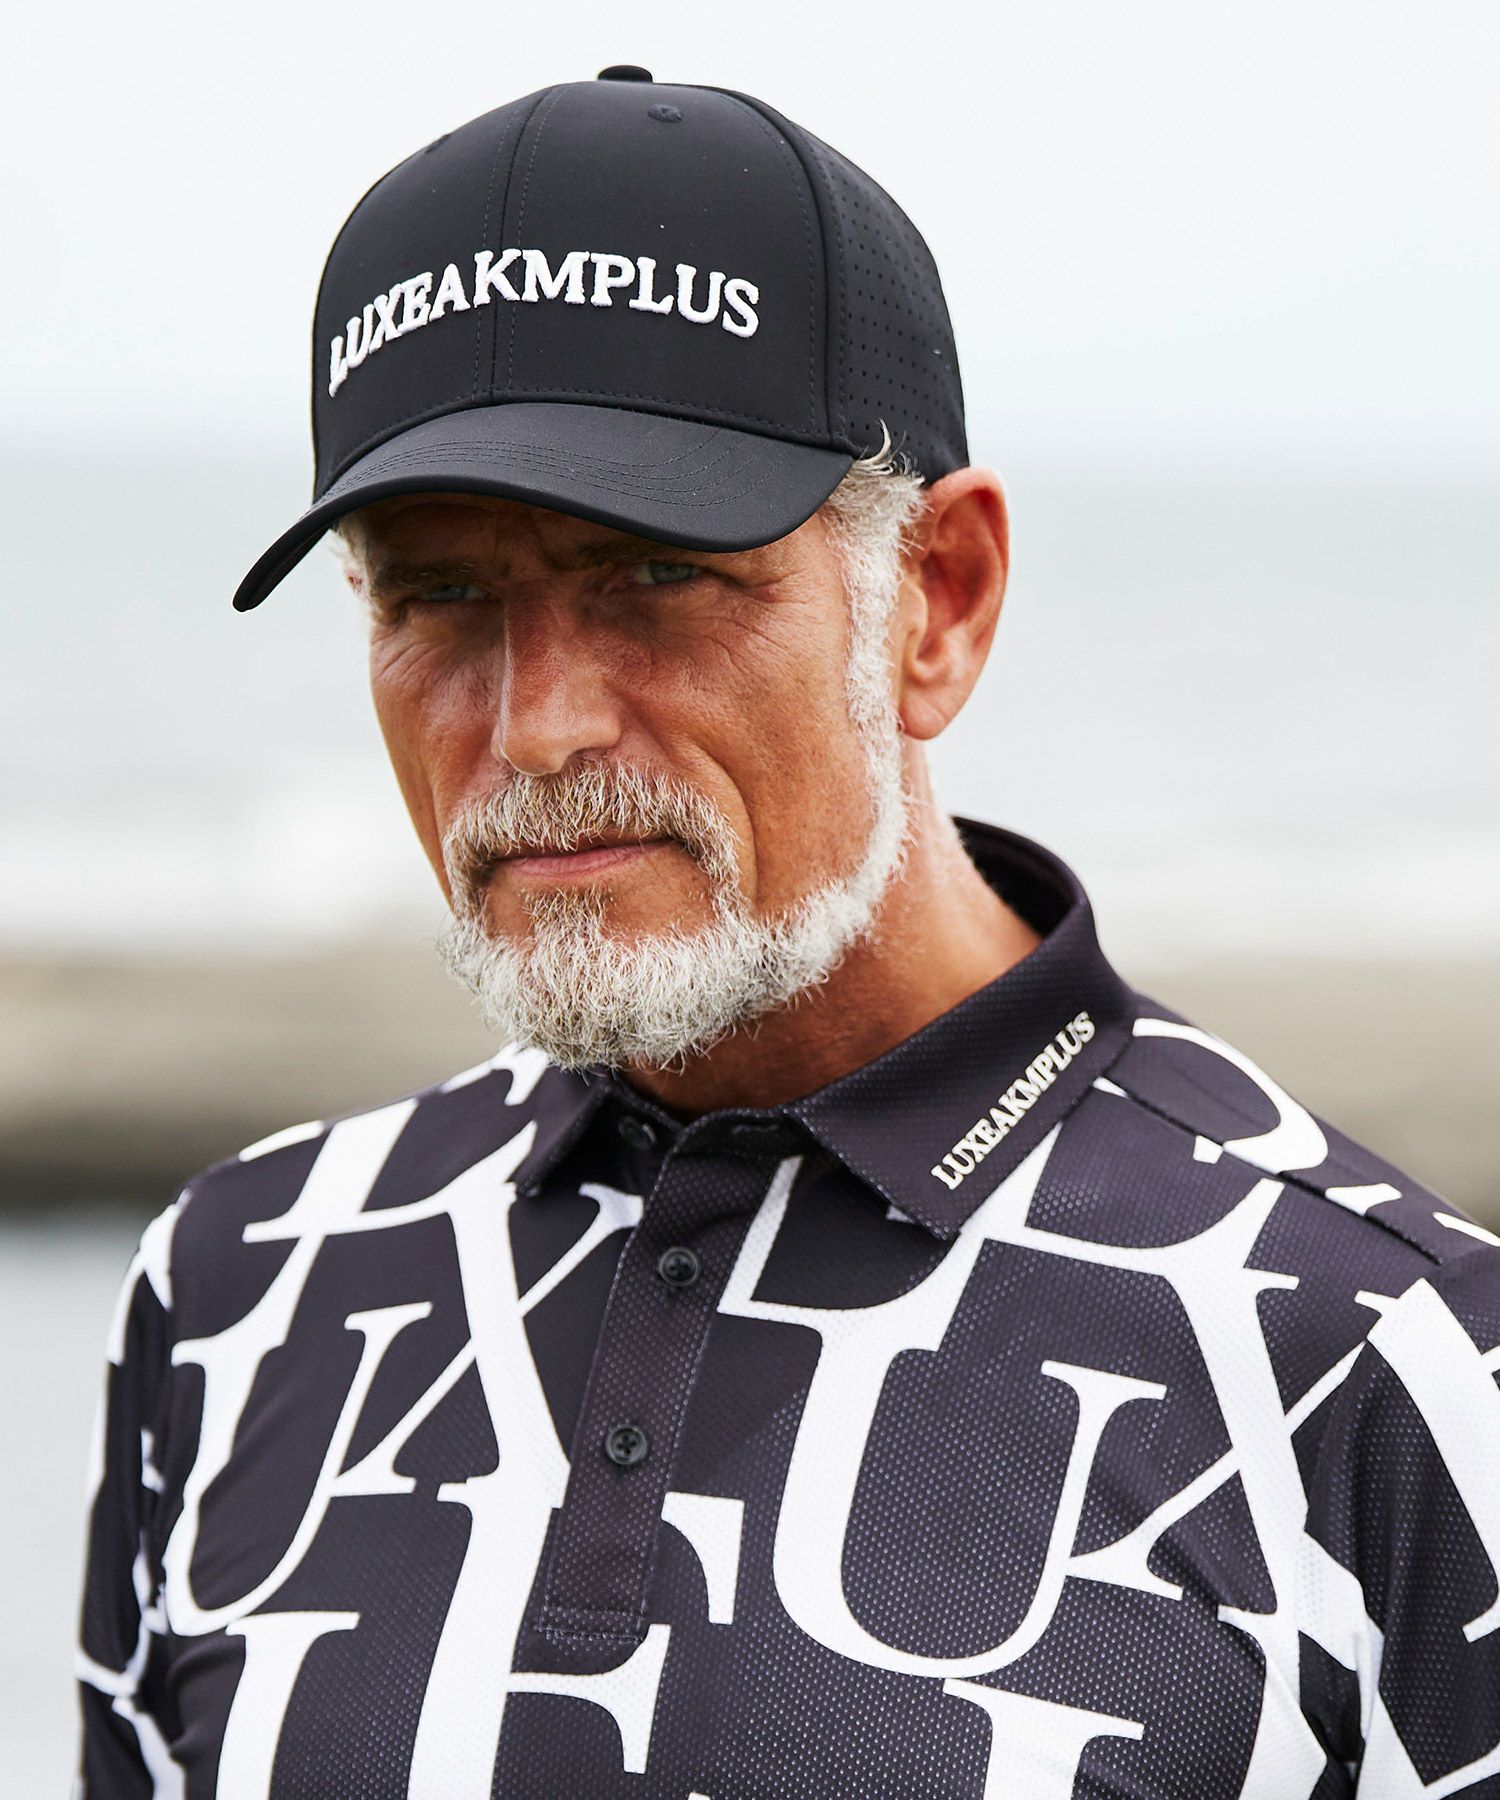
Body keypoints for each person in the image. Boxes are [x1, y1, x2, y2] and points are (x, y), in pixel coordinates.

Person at [76, 67, 1500, 1799]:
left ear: (937, 602)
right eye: (438, 592)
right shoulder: (240, 1287)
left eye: (657, 573)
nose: (536, 727)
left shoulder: (1387, 1357)